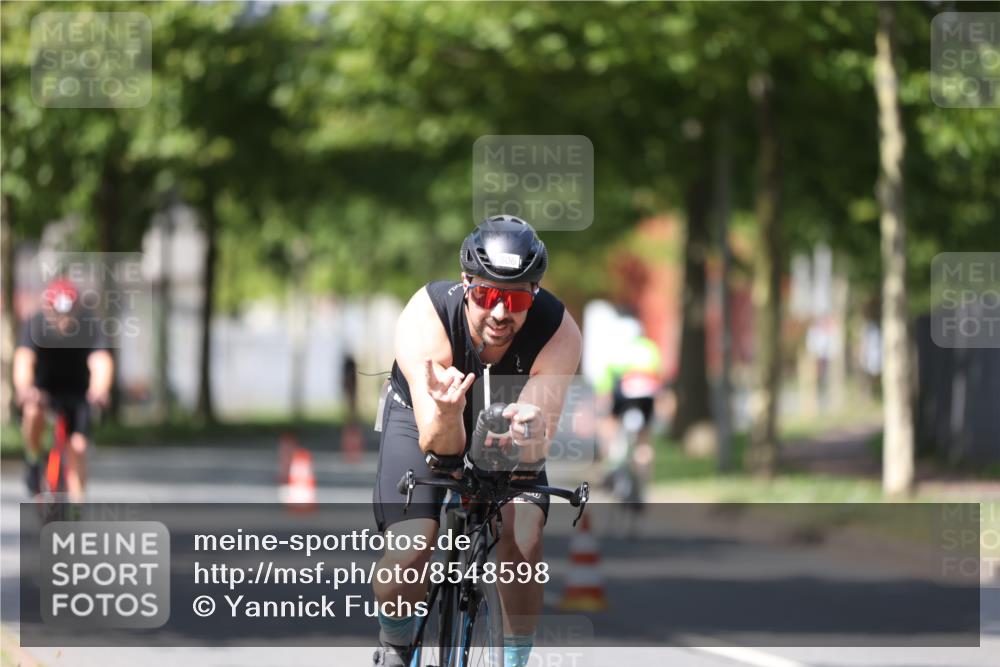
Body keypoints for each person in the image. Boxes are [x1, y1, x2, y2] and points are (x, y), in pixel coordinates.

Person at [371, 215, 582, 667]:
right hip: (426, 417)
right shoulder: (427, 316)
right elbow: (438, 447)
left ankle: (514, 659)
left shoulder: (558, 331)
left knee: (524, 532)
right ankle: (396, 644)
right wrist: (448, 412)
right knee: (409, 552)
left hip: (506, 421)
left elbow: (533, 449)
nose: (502, 313)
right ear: (467, 283)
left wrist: (528, 437)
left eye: (517, 297)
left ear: (535, 294)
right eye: (487, 296)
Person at [13, 277, 113, 503]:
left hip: (78, 392)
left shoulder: (90, 324)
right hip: (44, 391)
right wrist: (26, 388)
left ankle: (76, 511)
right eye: (57, 314)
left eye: (68, 314)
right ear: (47, 308)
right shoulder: (34, 324)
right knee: (32, 412)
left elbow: (101, 361)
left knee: (77, 447)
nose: (63, 321)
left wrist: (100, 389)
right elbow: (24, 361)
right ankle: (33, 459)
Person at [593, 324, 661, 490]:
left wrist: (603, 397)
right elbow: (658, 374)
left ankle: (608, 467)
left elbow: (607, 376)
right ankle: (644, 480)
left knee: (610, 424)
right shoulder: (650, 348)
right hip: (647, 395)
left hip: (624, 392)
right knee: (644, 437)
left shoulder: (619, 350)